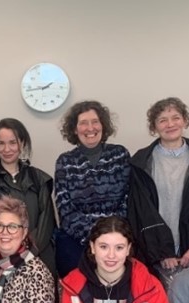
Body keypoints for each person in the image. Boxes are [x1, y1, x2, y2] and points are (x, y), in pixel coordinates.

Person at [127, 97, 189, 283]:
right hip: (156, 257)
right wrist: (162, 253)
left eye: (175, 117)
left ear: (185, 121)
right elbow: (140, 212)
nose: (170, 124)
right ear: (154, 127)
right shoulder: (140, 163)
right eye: (162, 120)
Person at [54, 101, 131, 277]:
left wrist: (108, 239)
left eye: (95, 121)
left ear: (103, 125)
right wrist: (94, 239)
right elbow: (64, 209)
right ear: (74, 129)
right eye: (83, 123)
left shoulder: (119, 155)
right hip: (76, 244)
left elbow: (128, 200)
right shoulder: (65, 162)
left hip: (116, 241)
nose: (90, 128)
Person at [0, 118, 56, 275]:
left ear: (22, 143)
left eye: (12, 142)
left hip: (39, 257)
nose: (7, 149)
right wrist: (11, 249)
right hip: (2, 258)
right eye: (1, 143)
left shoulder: (39, 178)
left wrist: (28, 252)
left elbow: (46, 222)